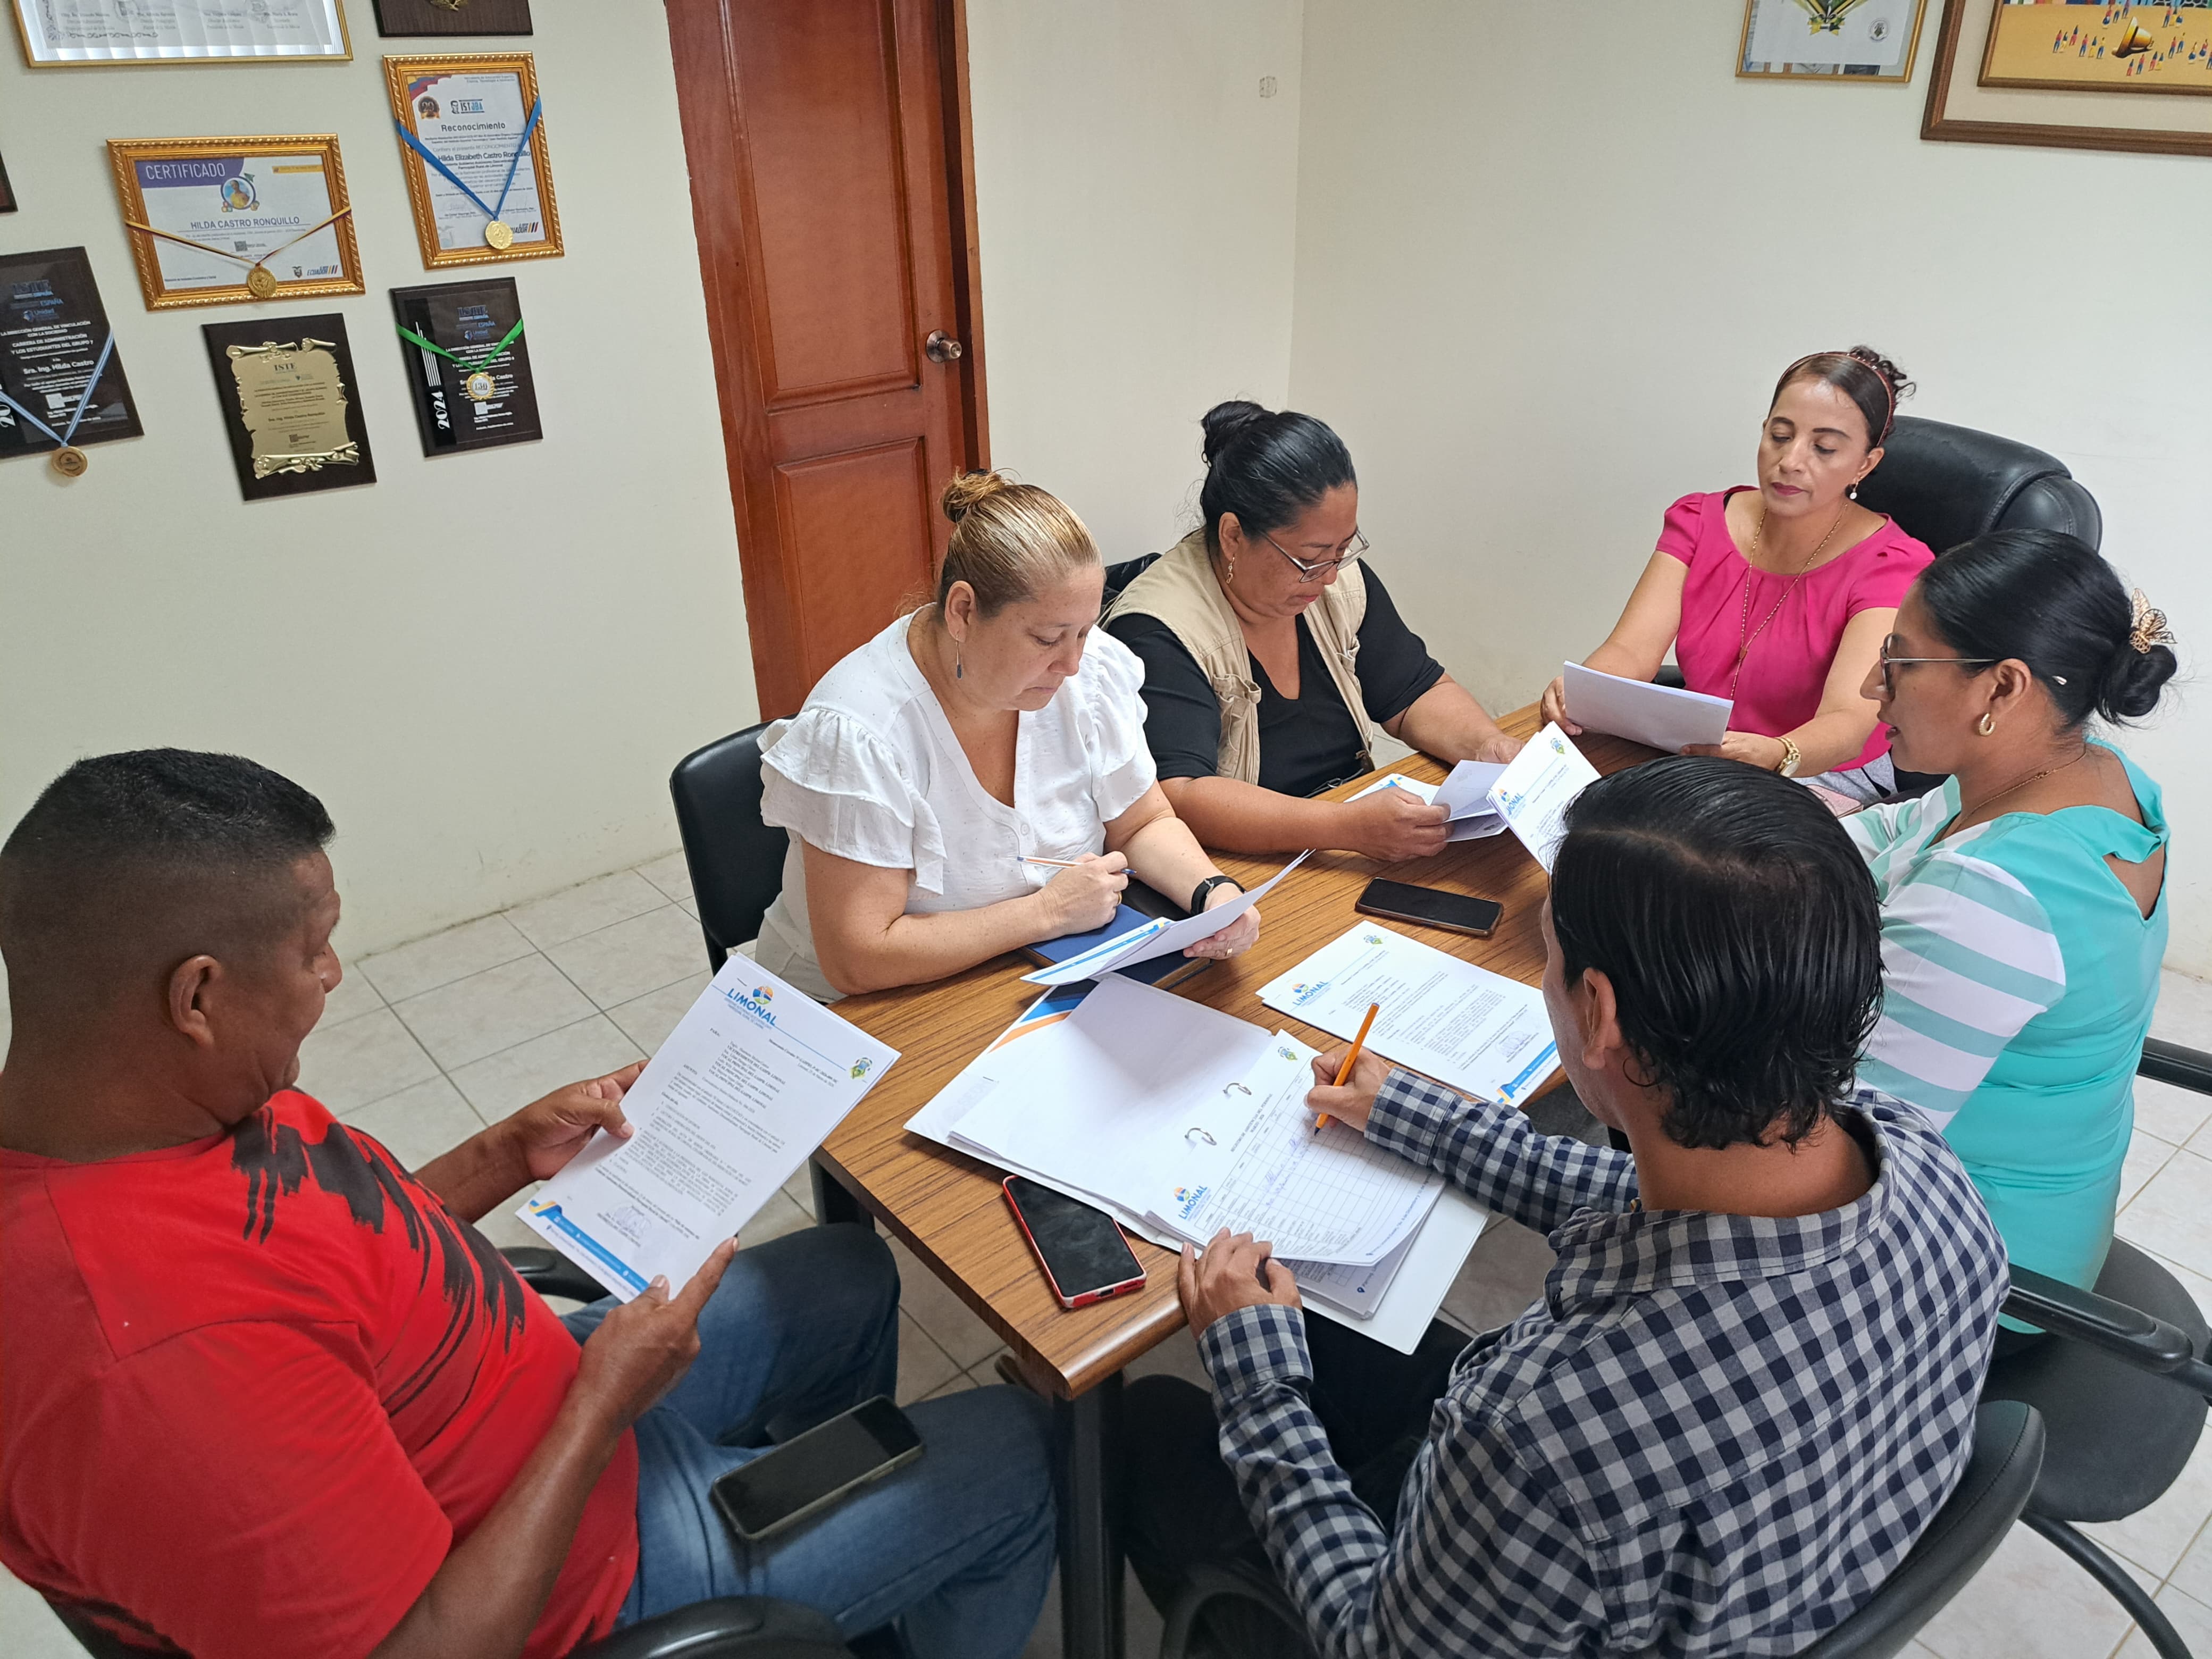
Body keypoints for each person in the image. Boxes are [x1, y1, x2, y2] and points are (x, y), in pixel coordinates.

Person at [0, 750, 1054, 1659]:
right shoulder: (142, 1358)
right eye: (309, 948)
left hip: (549, 1413)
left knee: (850, 1271)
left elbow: (336, 1253)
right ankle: (822, 1591)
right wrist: (601, 1405)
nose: (332, 974)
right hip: (585, 1576)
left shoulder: (170, 1105)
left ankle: (841, 1585)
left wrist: (506, 1151)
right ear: (197, 995)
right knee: (1018, 1449)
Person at [1122, 756, 2008, 1658]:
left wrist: (1259, 1382)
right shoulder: (1918, 1160)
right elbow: (1638, 1205)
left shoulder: (1544, 1430)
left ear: (1598, 1013)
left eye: (1548, 955)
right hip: (1780, 1556)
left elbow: (1375, 1643)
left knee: (1149, 1422)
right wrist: (1412, 1115)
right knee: (1348, 1340)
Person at [754, 471, 1260, 1001]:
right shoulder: (861, 732)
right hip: (853, 1013)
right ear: (963, 612)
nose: (1072, 663)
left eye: (1084, 631)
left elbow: (1141, 822)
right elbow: (860, 958)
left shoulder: (1086, 673)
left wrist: (1212, 893)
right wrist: (1047, 912)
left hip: (1013, 977)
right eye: (1046, 639)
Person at [1849, 530, 2176, 1336]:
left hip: (1967, 1279)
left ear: (2000, 688)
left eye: (1898, 660)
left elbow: (1839, 1142)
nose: (1870, 686)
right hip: (2047, 1224)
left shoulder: (1990, 896)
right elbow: (1890, 835)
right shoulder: (2091, 779)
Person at [1103, 402, 1521, 860]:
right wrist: (1346, 827)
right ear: (1233, 536)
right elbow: (1179, 796)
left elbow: (1414, 691)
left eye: (1343, 550)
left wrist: (1486, 745)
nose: (1330, 576)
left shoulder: (1336, 583)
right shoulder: (1159, 630)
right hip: (1243, 865)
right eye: (1309, 559)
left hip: (1348, 836)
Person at [1541, 347, 1937, 802]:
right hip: (1696, 752)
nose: (1791, 461)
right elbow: (1631, 650)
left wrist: (1778, 754)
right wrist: (1584, 693)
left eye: (1824, 448)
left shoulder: (1890, 563)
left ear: (1866, 464)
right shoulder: (1699, 520)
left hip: (1817, 772)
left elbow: (1848, 721)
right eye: (1780, 435)